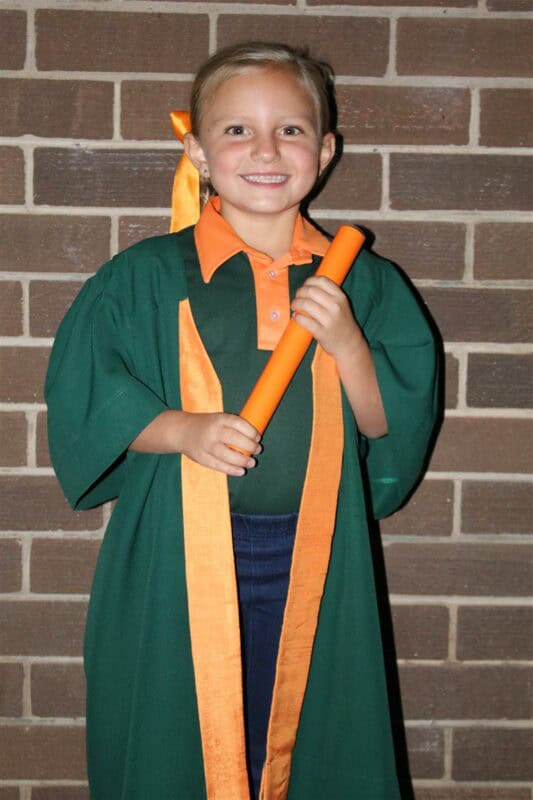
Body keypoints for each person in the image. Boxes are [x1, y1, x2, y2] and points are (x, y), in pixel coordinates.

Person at [45, 42, 439, 800]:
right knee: (180, 739)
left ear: (325, 151)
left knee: (303, 741)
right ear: (196, 150)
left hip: (316, 554)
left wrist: (348, 343)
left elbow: (388, 424)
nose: (265, 150)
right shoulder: (145, 276)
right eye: (236, 131)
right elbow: (86, 392)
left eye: (290, 130)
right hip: (177, 556)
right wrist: (183, 430)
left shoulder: (364, 282)